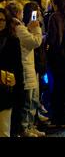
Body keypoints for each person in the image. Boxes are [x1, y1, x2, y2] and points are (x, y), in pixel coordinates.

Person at [5, 1, 43, 137]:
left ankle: (30, 126)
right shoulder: (17, 28)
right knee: (27, 102)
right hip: (25, 68)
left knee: (32, 101)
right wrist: (36, 28)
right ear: (18, 13)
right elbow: (35, 42)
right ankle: (25, 128)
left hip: (29, 68)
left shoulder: (19, 27)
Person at [0, 9, 23, 137]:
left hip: (6, 88)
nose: (0, 23)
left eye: (2, 20)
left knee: (4, 128)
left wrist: (19, 87)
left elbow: (17, 66)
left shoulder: (12, 40)